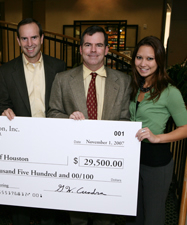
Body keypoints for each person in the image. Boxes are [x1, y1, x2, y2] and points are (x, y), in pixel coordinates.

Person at [47, 25, 131, 225]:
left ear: (107, 50)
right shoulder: (63, 79)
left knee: (104, 220)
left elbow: (125, 120)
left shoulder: (124, 81)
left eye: (99, 45)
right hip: (74, 164)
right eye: (88, 45)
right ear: (80, 49)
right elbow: (52, 114)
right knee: (77, 220)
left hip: (108, 165)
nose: (93, 50)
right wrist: (68, 119)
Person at [0, 18, 66, 224]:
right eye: (24, 38)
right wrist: (4, 112)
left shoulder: (59, 67)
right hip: (21, 146)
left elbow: (64, 103)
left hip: (52, 144)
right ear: (18, 41)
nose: (29, 43)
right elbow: (2, 105)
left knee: (50, 199)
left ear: (42, 38)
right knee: (21, 203)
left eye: (34, 37)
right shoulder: (6, 71)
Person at [127, 36, 187, 225]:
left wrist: (158, 138)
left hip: (157, 163)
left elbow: (185, 128)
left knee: (152, 218)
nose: (143, 63)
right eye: (139, 57)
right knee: (135, 215)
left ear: (159, 60)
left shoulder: (170, 92)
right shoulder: (136, 86)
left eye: (150, 58)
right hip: (133, 160)